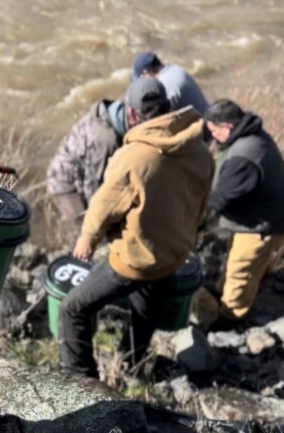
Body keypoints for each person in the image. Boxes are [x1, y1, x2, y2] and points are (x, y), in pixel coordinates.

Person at [59, 77, 214, 378]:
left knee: (72, 309)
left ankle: (79, 380)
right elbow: (201, 207)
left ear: (131, 115)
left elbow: (102, 208)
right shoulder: (201, 152)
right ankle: (131, 364)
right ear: (169, 108)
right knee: (144, 305)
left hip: (134, 262)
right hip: (173, 256)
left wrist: (87, 240)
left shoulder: (132, 158)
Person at [202, 99, 284, 328]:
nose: (211, 136)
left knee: (241, 269)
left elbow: (218, 200)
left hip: (264, 226)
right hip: (267, 215)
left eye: (213, 131)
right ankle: (237, 285)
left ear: (227, 127)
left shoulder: (243, 155)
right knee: (239, 257)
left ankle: (230, 316)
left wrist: (195, 225)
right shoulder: (251, 134)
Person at [45, 98, 128, 235]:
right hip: (65, 184)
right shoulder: (105, 140)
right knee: (82, 232)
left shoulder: (110, 113)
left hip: (74, 169)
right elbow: (93, 188)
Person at [132, 51, 210, 115]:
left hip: (205, 127)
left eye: (141, 79)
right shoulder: (174, 69)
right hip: (207, 114)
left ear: (147, 72)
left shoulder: (165, 86)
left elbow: (164, 119)